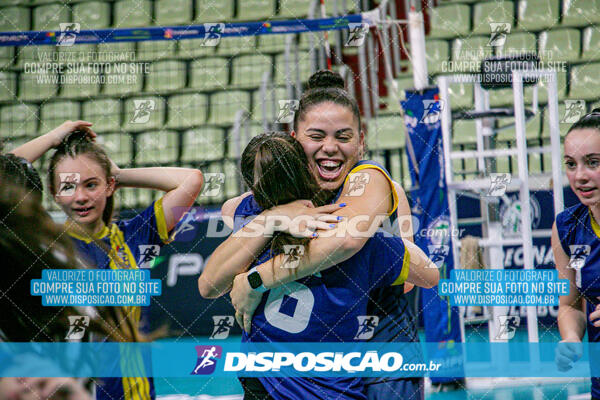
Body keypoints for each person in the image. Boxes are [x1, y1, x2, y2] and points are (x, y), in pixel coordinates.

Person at [198, 70, 425, 399]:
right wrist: (274, 217)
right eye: (316, 136)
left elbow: (394, 270)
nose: (330, 147)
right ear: (294, 139)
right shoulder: (276, 201)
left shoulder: (372, 180)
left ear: (361, 141)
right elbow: (215, 265)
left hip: (379, 340)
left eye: (343, 137)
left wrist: (256, 279)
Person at [12, 121, 204, 400]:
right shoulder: (41, 245)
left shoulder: (139, 234)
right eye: (68, 186)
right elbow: (5, 177)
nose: (80, 197)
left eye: (91, 185)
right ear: (54, 194)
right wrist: (52, 138)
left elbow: (191, 179)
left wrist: (118, 173)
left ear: (110, 186)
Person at [553, 109, 600, 400]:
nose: (579, 176)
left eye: (593, 163)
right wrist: (570, 338)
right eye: (571, 164)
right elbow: (570, 305)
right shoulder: (566, 228)